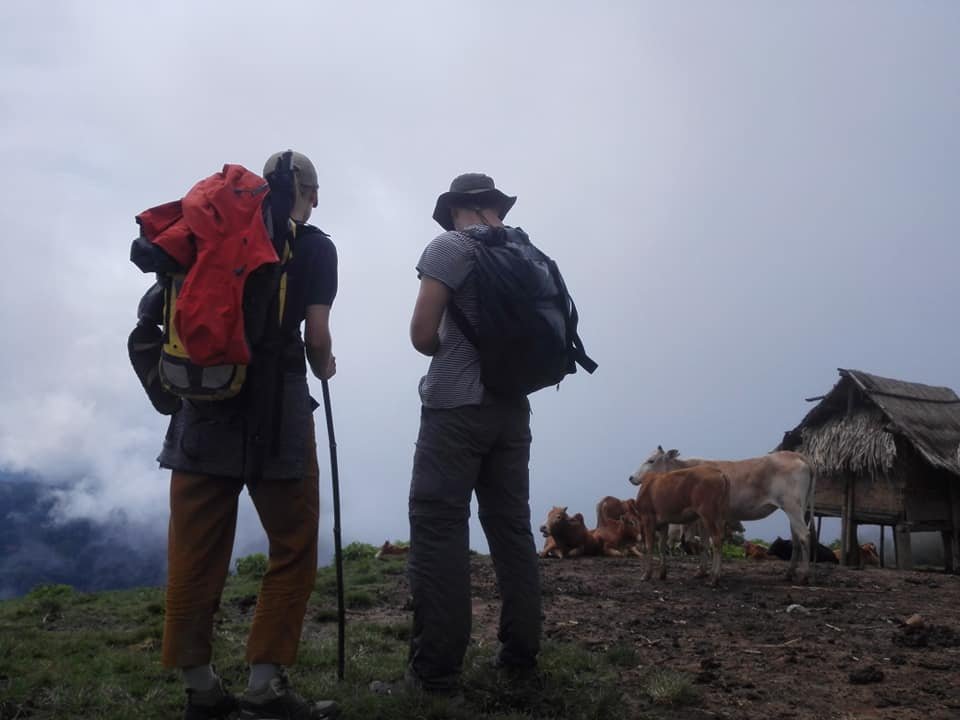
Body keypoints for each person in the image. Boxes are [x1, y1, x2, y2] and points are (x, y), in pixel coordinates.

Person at [157, 150, 340, 720]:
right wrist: (326, 365)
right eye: (316, 191)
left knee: (195, 550)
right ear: (305, 191)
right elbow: (316, 337)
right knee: (293, 542)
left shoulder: (206, 235)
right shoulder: (315, 247)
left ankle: (200, 688)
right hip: (278, 411)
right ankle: (265, 683)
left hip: (204, 398)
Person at [405, 173, 542, 694]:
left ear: (459, 208)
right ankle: (520, 658)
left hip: (455, 410)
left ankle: (436, 671)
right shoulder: (525, 250)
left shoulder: (450, 247)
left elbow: (422, 336)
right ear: (494, 207)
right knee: (512, 530)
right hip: (512, 409)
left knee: (439, 529)